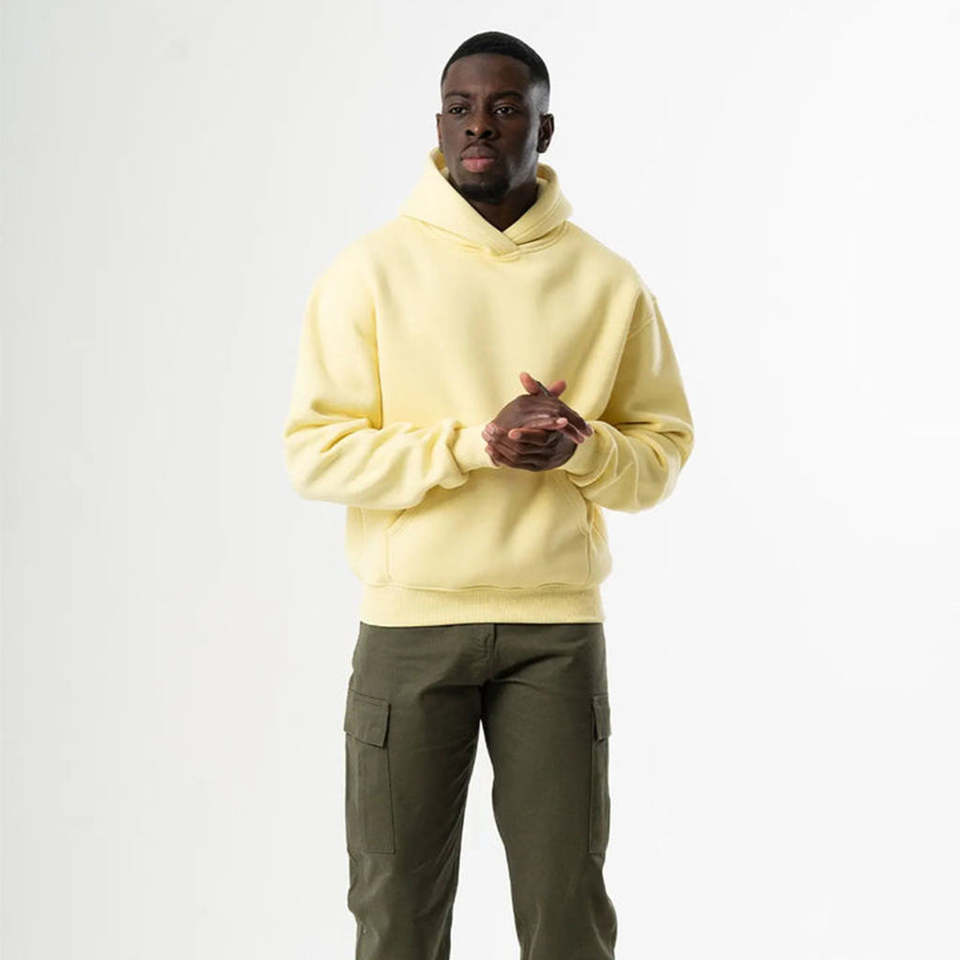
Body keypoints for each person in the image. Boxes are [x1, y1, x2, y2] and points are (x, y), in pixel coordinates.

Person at [282, 29, 695, 960]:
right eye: (461, 108)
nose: (480, 125)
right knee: (395, 915)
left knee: (566, 917)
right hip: (410, 627)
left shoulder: (608, 282)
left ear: (544, 130)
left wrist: (583, 448)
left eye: (507, 108)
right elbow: (314, 455)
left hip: (555, 630)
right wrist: (477, 445)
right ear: (437, 125)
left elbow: (663, 454)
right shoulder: (369, 273)